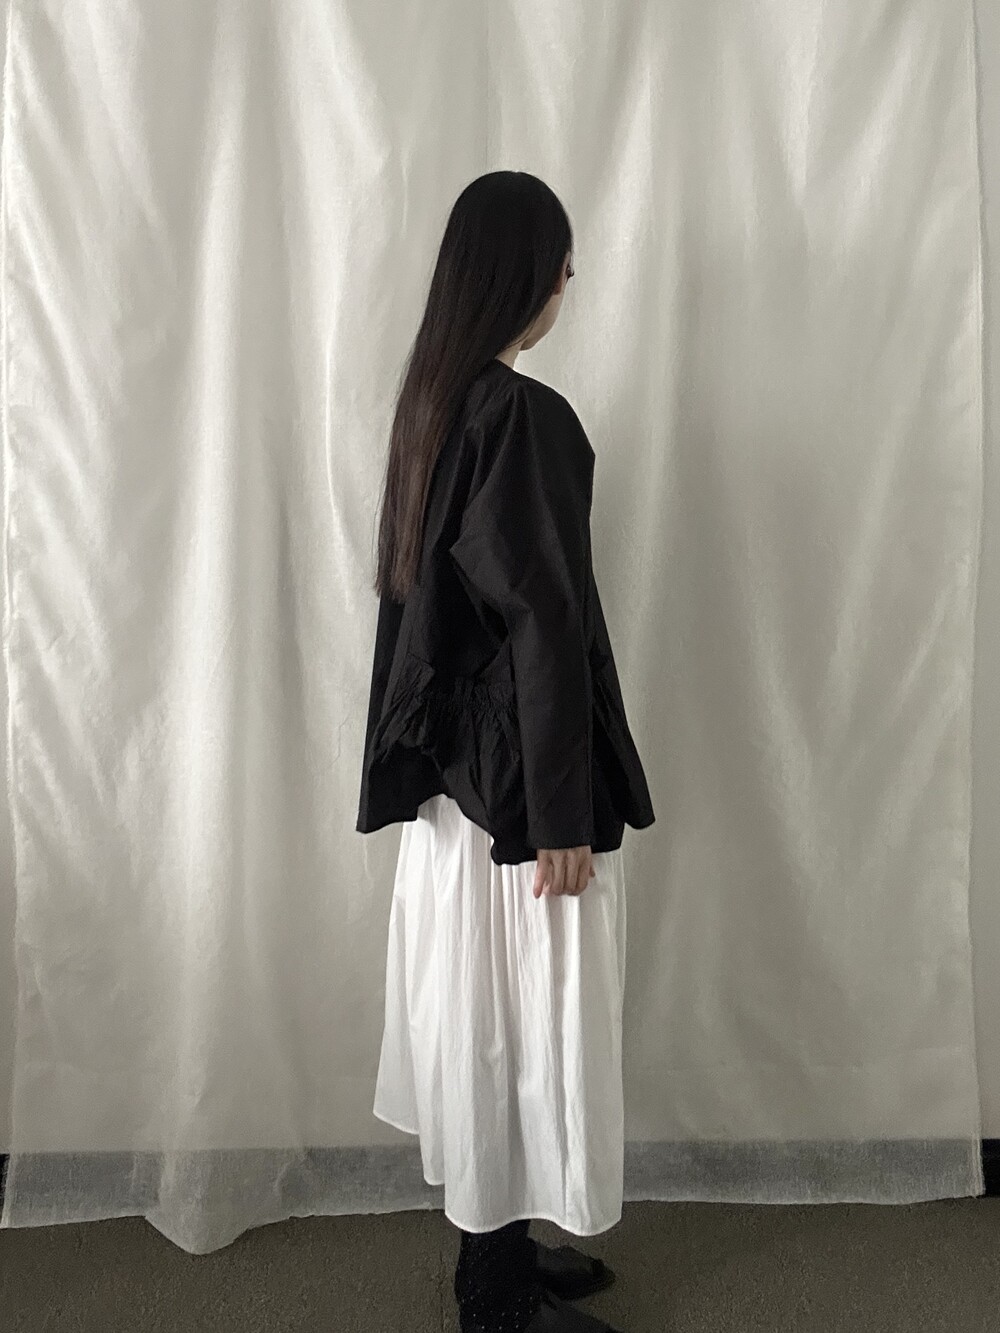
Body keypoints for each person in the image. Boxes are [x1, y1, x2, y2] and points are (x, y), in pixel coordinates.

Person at [357, 171, 655, 1333]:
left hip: (458, 797)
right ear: (526, 272)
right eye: (562, 259)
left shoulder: (433, 404)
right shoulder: (519, 416)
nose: (570, 279)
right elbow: (542, 621)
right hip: (515, 801)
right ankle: (494, 1298)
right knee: (518, 1027)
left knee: (486, 1023)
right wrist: (560, 815)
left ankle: (504, 1254)